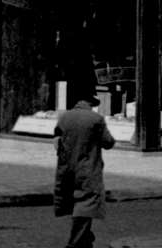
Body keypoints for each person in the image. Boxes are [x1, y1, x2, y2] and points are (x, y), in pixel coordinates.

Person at [54, 91, 114, 248]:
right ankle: (74, 243)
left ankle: (86, 239)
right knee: (86, 204)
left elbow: (57, 139)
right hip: (87, 168)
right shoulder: (96, 119)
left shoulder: (64, 117)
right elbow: (108, 142)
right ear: (90, 104)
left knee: (73, 202)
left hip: (66, 167)